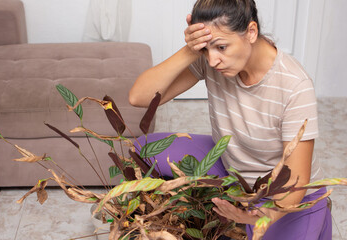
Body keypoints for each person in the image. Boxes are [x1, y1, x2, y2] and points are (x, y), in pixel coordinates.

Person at [129, 0, 332, 239]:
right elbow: (138, 97)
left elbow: (296, 179)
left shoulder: (295, 86)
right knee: (143, 149)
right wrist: (191, 51)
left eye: (221, 47)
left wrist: (259, 215)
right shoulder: (211, 61)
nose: (213, 60)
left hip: (286, 194)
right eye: (206, 49)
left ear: (251, 32)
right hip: (233, 171)